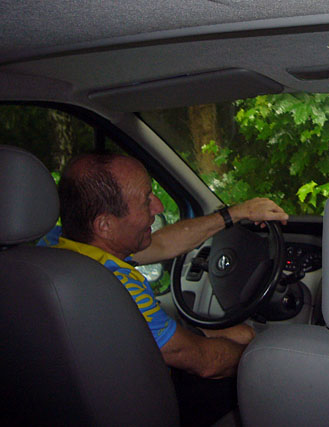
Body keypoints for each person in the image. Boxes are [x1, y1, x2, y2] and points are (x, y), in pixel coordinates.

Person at [39, 152, 288, 425]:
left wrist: (235, 213)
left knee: (241, 333)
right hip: (140, 403)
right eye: (146, 200)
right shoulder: (118, 286)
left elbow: (162, 245)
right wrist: (265, 359)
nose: (157, 207)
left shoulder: (51, 247)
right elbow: (206, 363)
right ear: (105, 225)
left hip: (81, 384)